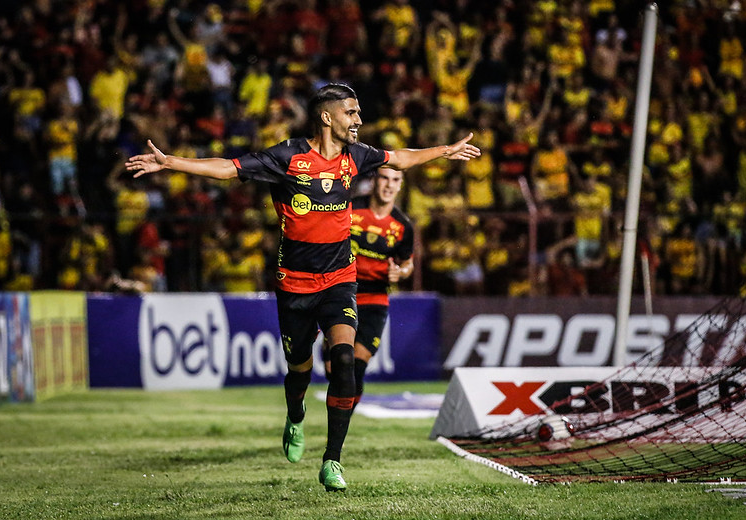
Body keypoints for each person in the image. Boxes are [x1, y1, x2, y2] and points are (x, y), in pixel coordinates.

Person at [125, 83, 480, 492]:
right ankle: (295, 416)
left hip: (340, 279)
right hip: (295, 284)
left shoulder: (355, 156)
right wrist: (171, 162)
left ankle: (332, 460)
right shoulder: (288, 156)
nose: (359, 120)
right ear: (327, 117)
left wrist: (444, 151)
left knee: (344, 361)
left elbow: (398, 158)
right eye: (352, 112)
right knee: (299, 370)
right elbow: (228, 168)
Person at [323, 166, 414, 409]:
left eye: (395, 180)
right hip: (342, 292)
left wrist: (401, 272)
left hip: (375, 298)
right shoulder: (351, 208)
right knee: (336, 368)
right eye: (384, 178)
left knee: (357, 365)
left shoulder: (403, 226)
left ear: (400, 185)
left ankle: (341, 428)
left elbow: (408, 264)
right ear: (374, 180)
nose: (389, 185)